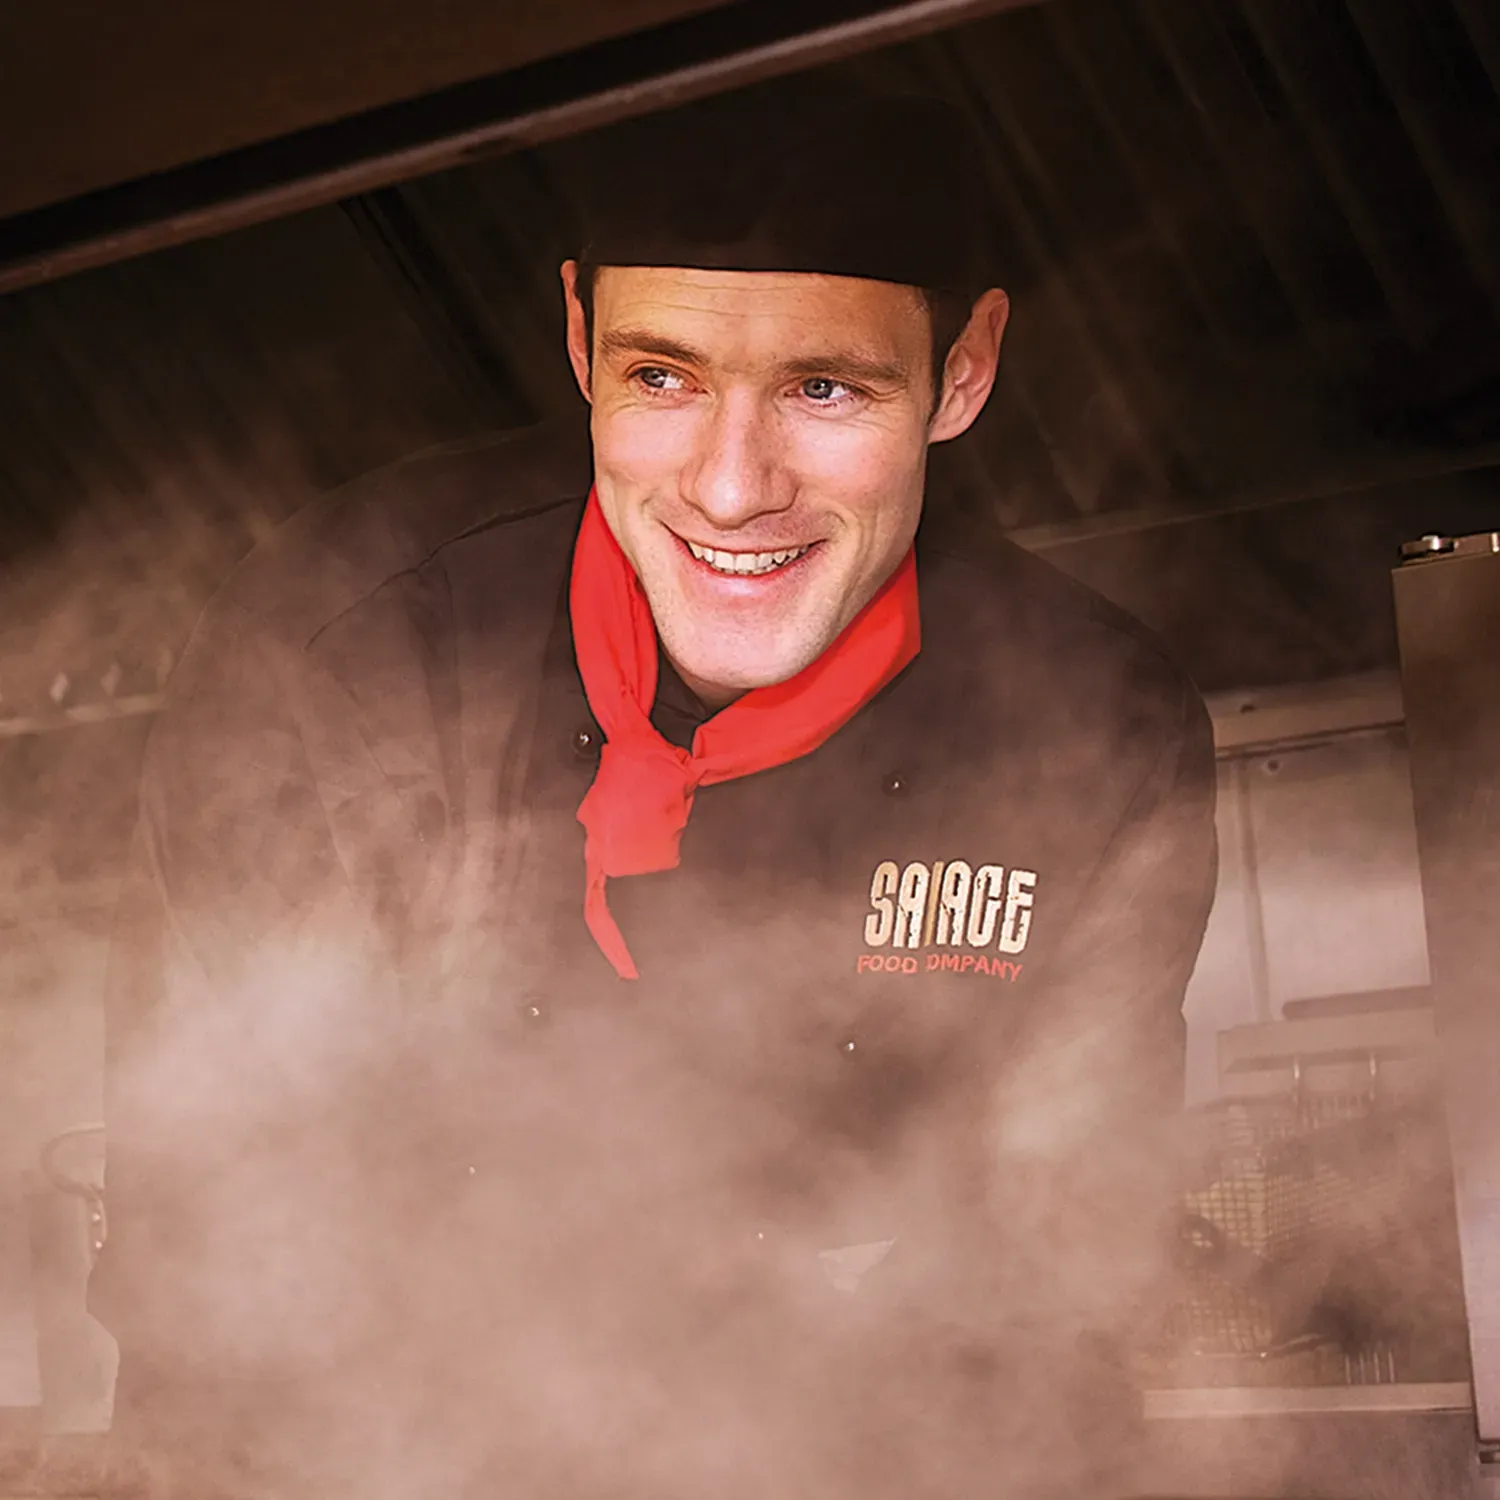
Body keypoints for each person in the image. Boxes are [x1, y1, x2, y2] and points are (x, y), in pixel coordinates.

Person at [95, 90, 1217, 1499]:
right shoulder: (341, 655)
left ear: (965, 370)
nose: (733, 491)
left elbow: (1059, 1280)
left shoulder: (1096, 721)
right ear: (579, 341)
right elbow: (228, 1255)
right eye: (663, 377)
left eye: (825, 389)